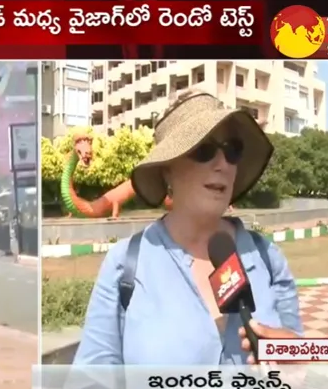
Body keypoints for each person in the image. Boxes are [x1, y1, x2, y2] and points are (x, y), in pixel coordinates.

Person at [73, 91, 302, 369]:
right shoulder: (125, 265)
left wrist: (296, 361)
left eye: (232, 150)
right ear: (167, 169)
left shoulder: (268, 258)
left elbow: (298, 362)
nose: (222, 165)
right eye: (203, 150)